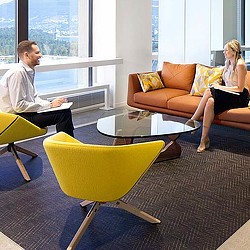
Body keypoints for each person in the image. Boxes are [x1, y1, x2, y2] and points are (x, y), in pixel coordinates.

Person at [0, 40, 74, 137]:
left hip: (22, 113)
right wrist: (50, 105)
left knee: (63, 110)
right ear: (27, 55)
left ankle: (68, 146)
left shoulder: (27, 71)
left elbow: (34, 98)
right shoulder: (18, 73)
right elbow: (19, 106)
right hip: (14, 118)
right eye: (37, 52)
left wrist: (54, 104)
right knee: (63, 114)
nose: (40, 55)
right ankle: (66, 149)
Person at [187, 39, 249, 153]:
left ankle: (193, 120)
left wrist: (218, 88)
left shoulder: (240, 65)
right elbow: (225, 83)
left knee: (209, 92)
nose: (224, 52)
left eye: (226, 50)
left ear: (234, 52)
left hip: (240, 97)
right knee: (210, 101)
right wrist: (217, 86)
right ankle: (203, 139)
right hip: (230, 94)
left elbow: (240, 89)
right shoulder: (228, 63)